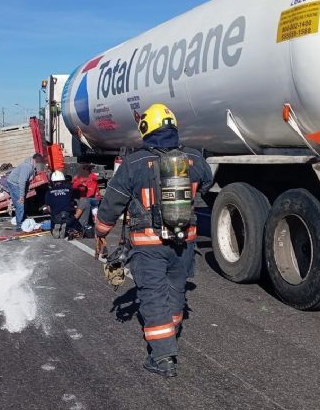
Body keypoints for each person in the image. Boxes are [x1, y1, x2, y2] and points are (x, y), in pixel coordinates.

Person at [94, 103, 213, 378]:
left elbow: (112, 203)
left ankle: (162, 357)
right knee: (175, 290)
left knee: (153, 295)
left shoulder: (134, 163)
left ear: (146, 129)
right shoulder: (194, 158)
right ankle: (170, 335)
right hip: (185, 241)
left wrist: (101, 232)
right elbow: (206, 185)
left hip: (149, 245)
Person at [5, 153, 45, 232]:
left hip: (17, 182)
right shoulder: (27, 167)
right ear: (34, 160)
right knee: (20, 203)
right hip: (14, 183)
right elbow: (22, 182)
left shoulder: (32, 167)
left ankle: (21, 217)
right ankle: (19, 225)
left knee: (22, 203)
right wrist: (22, 196)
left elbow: (27, 181)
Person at [72, 164, 101, 236]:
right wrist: (76, 180)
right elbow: (73, 186)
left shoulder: (92, 177)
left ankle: (81, 223)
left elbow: (90, 193)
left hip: (93, 199)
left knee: (84, 202)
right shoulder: (81, 177)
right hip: (85, 197)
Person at [44, 171, 74, 237]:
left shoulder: (49, 192)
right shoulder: (69, 189)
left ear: (52, 181)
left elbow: (48, 207)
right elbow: (72, 202)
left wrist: (52, 213)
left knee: (53, 217)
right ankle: (65, 226)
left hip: (56, 216)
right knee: (70, 215)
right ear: (63, 180)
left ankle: (57, 225)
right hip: (67, 216)